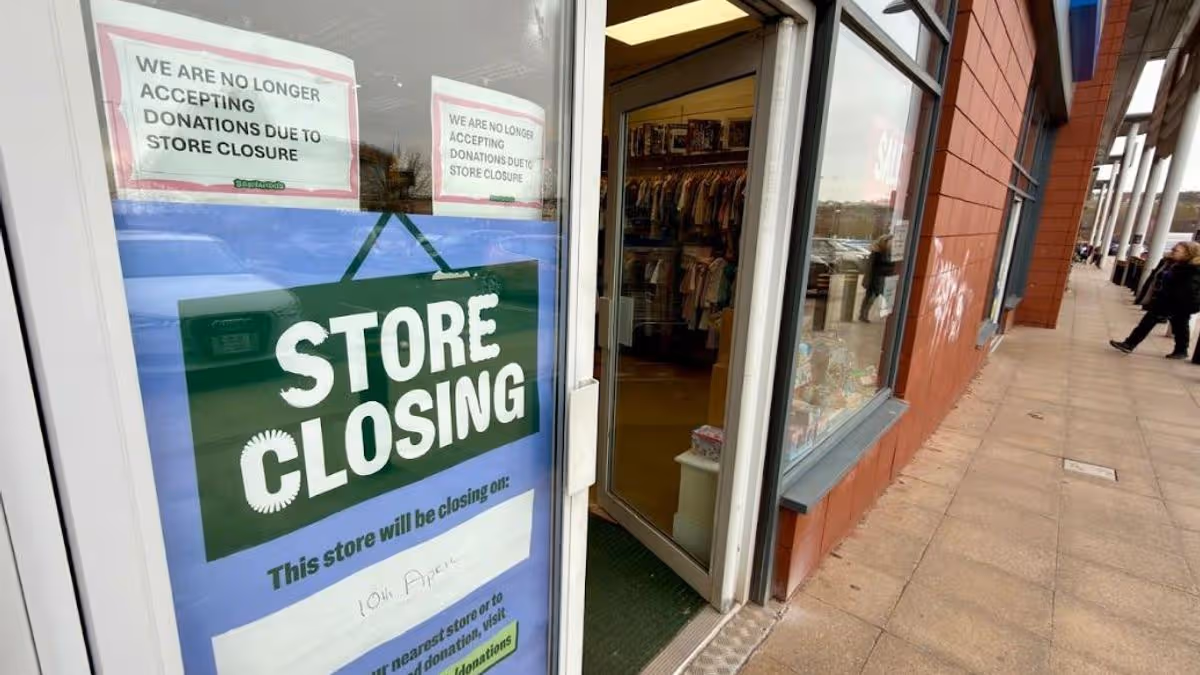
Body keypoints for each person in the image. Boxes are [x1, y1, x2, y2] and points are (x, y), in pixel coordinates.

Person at [1110, 241, 1200, 359]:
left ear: (1188, 254)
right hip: (1173, 300)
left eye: (1176, 251)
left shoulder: (1192, 270)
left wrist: (1169, 301)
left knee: (1153, 320)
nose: (1172, 252)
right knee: (1180, 324)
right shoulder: (1178, 264)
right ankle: (1181, 350)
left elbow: (1186, 290)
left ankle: (1130, 344)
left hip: (1180, 302)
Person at [859, 234, 895, 323]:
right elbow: (872, 266)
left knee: (874, 298)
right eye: (890, 242)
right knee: (870, 298)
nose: (892, 244)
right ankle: (863, 315)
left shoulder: (887, 252)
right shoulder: (878, 253)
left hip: (883, 278)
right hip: (876, 278)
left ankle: (864, 315)